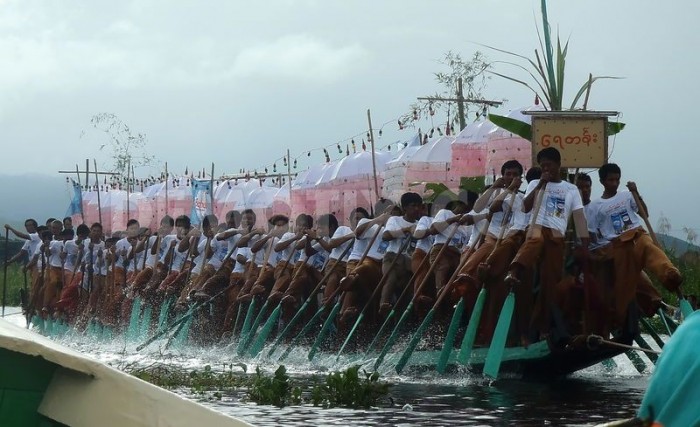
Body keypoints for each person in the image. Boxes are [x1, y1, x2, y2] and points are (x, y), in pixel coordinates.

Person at [504, 147, 589, 341]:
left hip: (557, 235)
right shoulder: (536, 182)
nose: (545, 169)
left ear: (558, 165)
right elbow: (525, 208)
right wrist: (541, 183)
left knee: (550, 285)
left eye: (548, 165)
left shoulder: (571, 189)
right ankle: (514, 271)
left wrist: (584, 244)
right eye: (542, 166)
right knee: (535, 238)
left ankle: (542, 328)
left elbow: (579, 218)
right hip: (537, 226)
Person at [591, 163, 682, 334]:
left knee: (651, 249)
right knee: (625, 288)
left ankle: (670, 274)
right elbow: (595, 234)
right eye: (610, 180)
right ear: (602, 181)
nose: (615, 183)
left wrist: (636, 192)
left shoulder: (627, 195)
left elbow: (644, 214)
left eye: (617, 179)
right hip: (619, 246)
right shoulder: (596, 206)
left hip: (637, 235)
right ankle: (620, 322)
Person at [378, 192, 423, 315]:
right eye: (413, 206)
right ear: (404, 208)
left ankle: (412, 312)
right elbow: (386, 236)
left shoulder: (420, 224)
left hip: (409, 261)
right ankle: (383, 304)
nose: (416, 209)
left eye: (419, 206)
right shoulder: (395, 220)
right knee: (391, 278)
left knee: (411, 286)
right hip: (392, 257)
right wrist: (406, 230)